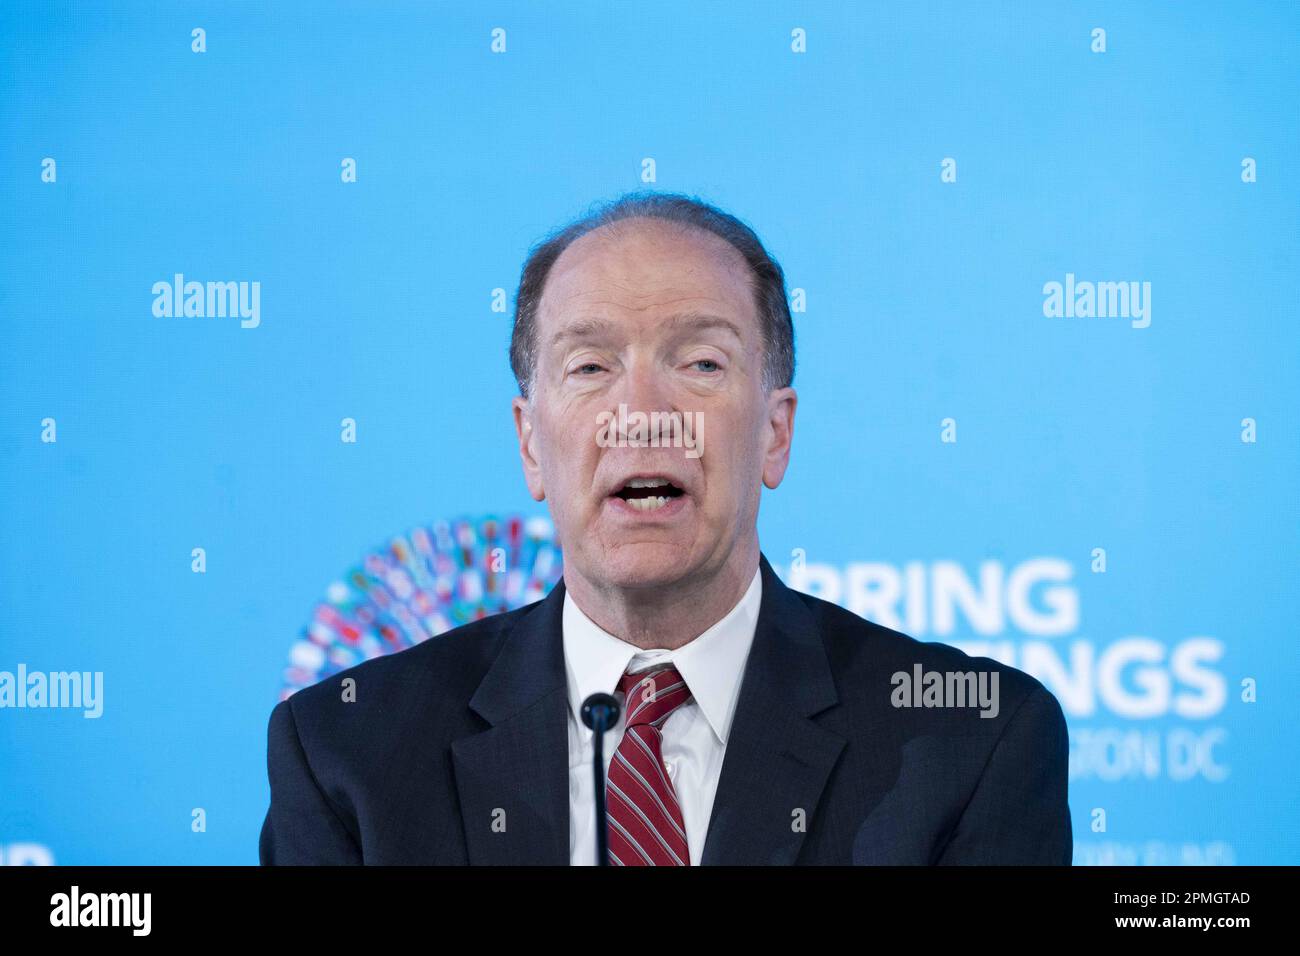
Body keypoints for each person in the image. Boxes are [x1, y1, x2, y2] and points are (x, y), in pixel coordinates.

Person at [259, 191, 1072, 865]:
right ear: (530, 442)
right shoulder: (349, 752)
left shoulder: (969, 742)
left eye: (701, 364)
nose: (643, 417)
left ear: (775, 433)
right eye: (590, 367)